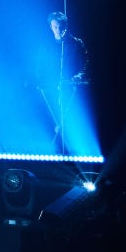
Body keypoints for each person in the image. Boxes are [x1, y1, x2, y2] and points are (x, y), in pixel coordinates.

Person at [35, 11, 90, 153]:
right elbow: (39, 67)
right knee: (52, 118)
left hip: (70, 89)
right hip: (50, 89)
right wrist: (41, 81)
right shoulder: (45, 45)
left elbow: (85, 65)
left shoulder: (76, 44)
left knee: (69, 120)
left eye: (61, 27)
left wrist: (77, 78)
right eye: (55, 27)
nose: (58, 30)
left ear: (66, 26)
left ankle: (70, 150)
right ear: (50, 27)